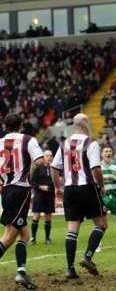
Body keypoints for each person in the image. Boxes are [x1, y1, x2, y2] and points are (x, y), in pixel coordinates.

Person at [50, 113, 108, 279]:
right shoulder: (91, 143)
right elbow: (96, 168)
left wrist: (57, 187)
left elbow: (54, 168)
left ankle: (70, 269)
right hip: (87, 188)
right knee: (102, 223)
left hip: (69, 189)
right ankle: (88, 257)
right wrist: (101, 186)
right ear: (85, 124)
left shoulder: (64, 144)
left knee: (72, 230)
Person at [0, 114, 44, 290]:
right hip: (20, 190)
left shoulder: (0, 142)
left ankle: (21, 272)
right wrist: (28, 170)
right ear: (20, 125)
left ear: (5, 126)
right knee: (9, 236)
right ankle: (21, 273)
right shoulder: (28, 140)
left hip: (6, 190)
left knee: (24, 234)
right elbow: (40, 161)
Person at [96, 145, 116, 252]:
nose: (108, 153)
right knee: (102, 223)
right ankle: (98, 244)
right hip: (103, 197)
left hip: (115, 196)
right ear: (102, 154)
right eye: (106, 151)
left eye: (110, 151)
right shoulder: (97, 166)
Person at [30, 150, 55, 245]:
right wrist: (40, 187)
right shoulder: (37, 168)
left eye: (50, 155)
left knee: (48, 217)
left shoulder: (53, 169)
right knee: (36, 216)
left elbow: (55, 182)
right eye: (47, 155)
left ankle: (47, 238)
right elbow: (32, 182)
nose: (49, 157)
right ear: (43, 157)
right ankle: (33, 238)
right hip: (39, 195)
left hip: (49, 195)